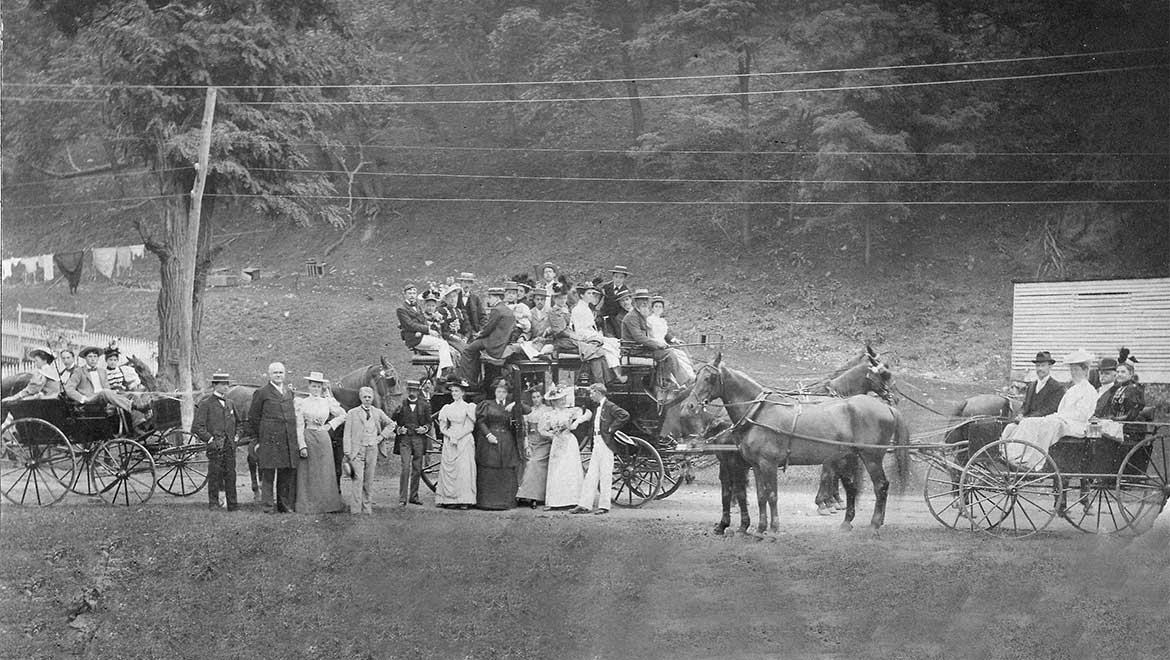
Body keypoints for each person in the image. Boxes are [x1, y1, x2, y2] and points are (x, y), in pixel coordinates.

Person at [1002, 349, 1098, 463]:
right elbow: (1061, 409)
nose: (1073, 373)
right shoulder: (1073, 389)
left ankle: (1026, 459)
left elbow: (1082, 415)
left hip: (1075, 425)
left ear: (1085, 370)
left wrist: (1059, 417)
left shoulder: (1089, 390)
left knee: (1034, 422)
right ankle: (1010, 455)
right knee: (1025, 423)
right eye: (1071, 370)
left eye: (1076, 370)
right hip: (1063, 420)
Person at [571, 383, 631, 515]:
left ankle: (604, 506)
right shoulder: (597, 407)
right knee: (591, 474)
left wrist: (611, 428)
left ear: (599, 393)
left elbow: (624, 415)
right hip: (597, 442)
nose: (591, 395)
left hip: (606, 443)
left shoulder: (609, 406)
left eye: (592, 393)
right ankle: (584, 505)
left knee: (605, 474)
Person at [249, 362, 299, 513]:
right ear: (269, 375)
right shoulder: (262, 392)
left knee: (285, 474)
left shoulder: (289, 392)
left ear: (285, 374)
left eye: (281, 372)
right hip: (269, 439)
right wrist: (258, 439)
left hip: (286, 439)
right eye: (275, 372)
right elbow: (253, 417)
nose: (278, 375)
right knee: (269, 474)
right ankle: (268, 507)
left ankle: (284, 506)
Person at [294, 371, 346, 514]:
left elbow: (343, 415)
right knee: (308, 472)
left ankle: (326, 505)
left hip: (323, 438)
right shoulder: (302, 403)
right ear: (309, 386)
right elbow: (299, 426)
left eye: (318, 386)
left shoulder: (327, 402)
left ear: (322, 388)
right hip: (308, 436)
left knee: (324, 471)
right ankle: (308, 505)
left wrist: (329, 425)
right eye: (313, 386)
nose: (316, 389)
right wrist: (302, 445)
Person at [621, 288, 693, 387]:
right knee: (668, 354)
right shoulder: (632, 317)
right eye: (641, 300)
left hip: (641, 348)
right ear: (635, 302)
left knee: (670, 352)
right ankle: (683, 381)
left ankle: (667, 381)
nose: (644, 303)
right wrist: (657, 344)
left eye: (646, 300)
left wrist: (662, 343)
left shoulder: (640, 315)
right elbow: (639, 337)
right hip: (634, 351)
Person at [474, 377, 526, 510]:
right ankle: (487, 502)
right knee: (489, 466)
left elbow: (528, 410)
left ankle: (506, 501)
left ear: (507, 393)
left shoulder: (510, 404)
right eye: (499, 391)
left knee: (506, 467)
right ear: (495, 392)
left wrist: (515, 404)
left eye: (503, 392)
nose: (501, 394)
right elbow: (480, 421)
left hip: (507, 439)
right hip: (490, 439)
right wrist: (488, 435)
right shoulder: (487, 404)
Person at [342, 386, 396, 514]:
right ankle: (355, 510)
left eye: (369, 397)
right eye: (365, 397)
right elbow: (347, 433)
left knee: (369, 479)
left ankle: (367, 508)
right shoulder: (352, 413)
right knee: (357, 479)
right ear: (361, 398)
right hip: (357, 450)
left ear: (372, 398)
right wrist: (347, 451)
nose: (367, 399)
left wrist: (381, 437)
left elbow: (391, 424)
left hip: (372, 449)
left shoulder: (377, 412)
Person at [192, 372, 240, 511]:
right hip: (215, 446)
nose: (226, 387)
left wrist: (236, 436)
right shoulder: (206, 404)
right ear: (215, 385)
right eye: (223, 384)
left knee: (231, 475)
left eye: (227, 384)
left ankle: (233, 505)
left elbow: (240, 423)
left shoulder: (230, 404)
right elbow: (197, 427)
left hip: (229, 446)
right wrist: (210, 439)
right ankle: (213, 503)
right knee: (214, 475)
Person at [539, 386, 588, 510]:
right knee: (557, 469)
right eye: (560, 399)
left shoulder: (571, 411)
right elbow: (542, 430)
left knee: (571, 468)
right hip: (557, 442)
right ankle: (555, 501)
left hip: (570, 441)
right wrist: (552, 434)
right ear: (554, 401)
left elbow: (588, 413)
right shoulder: (548, 415)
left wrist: (577, 422)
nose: (563, 401)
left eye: (564, 398)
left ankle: (573, 499)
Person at [456, 287, 516, 387]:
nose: (488, 300)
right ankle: (474, 378)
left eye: (490, 297)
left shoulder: (497, 310)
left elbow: (488, 328)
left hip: (492, 342)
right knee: (474, 351)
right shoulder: (508, 310)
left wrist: (479, 335)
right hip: (502, 342)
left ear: (497, 298)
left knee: (467, 350)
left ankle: (466, 379)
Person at [435, 378, 477, 509]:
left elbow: (470, 426)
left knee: (463, 469)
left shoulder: (469, 407)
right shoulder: (447, 408)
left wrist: (457, 437)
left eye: (457, 391)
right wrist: (450, 436)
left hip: (464, 439)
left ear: (463, 393)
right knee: (450, 469)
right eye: (452, 391)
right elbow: (442, 427)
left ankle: (464, 499)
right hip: (450, 439)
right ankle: (449, 499)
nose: (454, 393)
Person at [397, 284, 455, 376]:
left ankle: (440, 380)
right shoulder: (401, 309)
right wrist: (428, 330)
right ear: (405, 294)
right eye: (409, 293)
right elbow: (410, 325)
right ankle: (445, 371)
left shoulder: (417, 306)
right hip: (415, 339)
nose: (412, 295)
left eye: (414, 293)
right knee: (443, 344)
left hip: (422, 336)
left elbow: (423, 321)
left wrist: (432, 326)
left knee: (444, 354)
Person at [571, 284, 623, 383]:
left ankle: (616, 373)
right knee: (609, 347)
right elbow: (579, 330)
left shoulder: (586, 308)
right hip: (586, 338)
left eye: (592, 293)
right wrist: (595, 336)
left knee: (615, 343)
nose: (591, 295)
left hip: (592, 334)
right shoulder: (577, 310)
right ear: (582, 295)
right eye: (589, 293)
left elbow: (591, 326)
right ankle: (616, 375)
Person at [392, 380, 432, 506]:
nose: (412, 393)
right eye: (410, 390)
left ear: (418, 391)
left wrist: (424, 428)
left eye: (414, 390)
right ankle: (402, 498)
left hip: (419, 440)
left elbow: (429, 423)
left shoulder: (424, 405)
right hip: (405, 440)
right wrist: (398, 429)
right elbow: (391, 421)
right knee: (405, 467)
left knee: (417, 469)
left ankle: (414, 496)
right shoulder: (401, 405)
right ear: (407, 391)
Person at [63, 346, 134, 413]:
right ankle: (131, 407)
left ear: (98, 358)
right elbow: (69, 389)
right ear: (85, 358)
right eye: (90, 356)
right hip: (90, 399)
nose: (93, 359)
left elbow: (107, 387)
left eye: (95, 356)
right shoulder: (79, 371)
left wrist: (114, 393)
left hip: (103, 398)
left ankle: (139, 419)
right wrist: (82, 398)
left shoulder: (102, 371)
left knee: (129, 394)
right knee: (104, 392)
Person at [516, 386, 553, 507]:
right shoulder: (529, 410)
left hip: (544, 442)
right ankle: (525, 495)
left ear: (542, 397)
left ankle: (534, 497)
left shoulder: (548, 410)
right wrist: (526, 444)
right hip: (531, 442)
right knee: (526, 462)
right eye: (533, 397)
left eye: (538, 396)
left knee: (534, 463)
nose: (536, 399)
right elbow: (525, 430)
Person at [1093, 356, 1145, 440]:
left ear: (1131, 374)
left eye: (1123, 372)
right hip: (1117, 423)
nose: (1119, 375)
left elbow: (1132, 414)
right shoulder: (1119, 388)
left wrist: (1114, 419)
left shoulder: (1134, 389)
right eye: (1118, 372)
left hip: (1128, 426)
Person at [648, 295, 696, 382]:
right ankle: (681, 380)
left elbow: (665, 334)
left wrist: (675, 340)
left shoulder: (662, 321)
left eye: (660, 307)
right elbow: (648, 336)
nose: (658, 309)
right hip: (656, 346)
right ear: (652, 308)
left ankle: (691, 375)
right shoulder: (649, 320)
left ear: (662, 309)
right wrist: (658, 344)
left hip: (664, 345)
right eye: (656, 306)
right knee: (675, 356)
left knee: (682, 354)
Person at [1016, 351, 1066, 419]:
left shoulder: (1057, 388)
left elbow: (1049, 410)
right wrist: (1020, 414)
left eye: (1043, 365)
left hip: (1044, 423)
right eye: (1038, 366)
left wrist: (1027, 418)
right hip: (1026, 421)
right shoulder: (1031, 386)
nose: (1040, 369)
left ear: (1050, 367)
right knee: (1010, 427)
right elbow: (1025, 406)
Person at [599, 265, 631, 338]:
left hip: (618, 318)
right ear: (613, 277)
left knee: (619, 336)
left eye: (621, 277)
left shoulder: (626, 291)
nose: (618, 279)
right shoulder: (606, 287)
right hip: (605, 317)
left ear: (624, 278)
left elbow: (627, 307)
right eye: (616, 276)